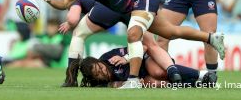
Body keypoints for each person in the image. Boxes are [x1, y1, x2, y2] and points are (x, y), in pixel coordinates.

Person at [39, 0, 224, 89]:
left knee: (133, 34)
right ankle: (210, 38)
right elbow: (64, 4)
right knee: (172, 31)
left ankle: (133, 80)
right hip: (128, 8)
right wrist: (49, 0)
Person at [56, 0, 182, 87]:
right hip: (133, 3)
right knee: (152, 44)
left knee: (78, 35)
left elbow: (72, 17)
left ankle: (71, 80)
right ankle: (172, 71)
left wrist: (69, 22)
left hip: (108, 7)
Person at [76, 46, 217, 88]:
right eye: (98, 74)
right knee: (155, 83)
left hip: (148, 60)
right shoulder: (100, 84)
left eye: (100, 67)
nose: (103, 72)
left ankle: (203, 74)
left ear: (99, 61)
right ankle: (198, 84)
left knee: (158, 72)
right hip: (142, 78)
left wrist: (126, 58)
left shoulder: (110, 57)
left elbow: (143, 47)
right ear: (94, 78)